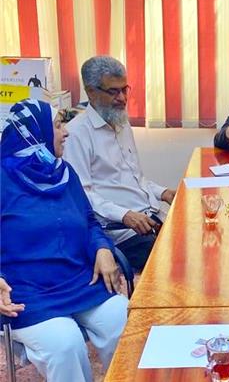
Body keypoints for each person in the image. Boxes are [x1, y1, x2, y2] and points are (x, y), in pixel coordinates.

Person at [0, 99, 128, 382]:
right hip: (26, 292)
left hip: (79, 281)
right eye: (58, 126)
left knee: (125, 321)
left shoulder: (64, 174)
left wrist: (103, 248)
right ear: (35, 134)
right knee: (65, 343)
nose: (66, 132)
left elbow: (89, 221)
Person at [63, 56, 176, 271]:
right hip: (121, 232)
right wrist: (124, 215)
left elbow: (134, 179)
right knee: (176, 264)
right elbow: (81, 195)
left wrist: (163, 192)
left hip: (149, 218)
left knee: (199, 236)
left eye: (125, 89)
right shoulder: (76, 134)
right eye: (113, 92)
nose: (122, 98)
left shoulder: (121, 123)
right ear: (91, 92)